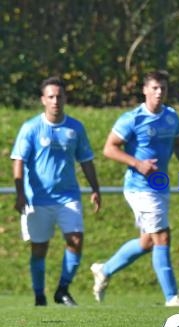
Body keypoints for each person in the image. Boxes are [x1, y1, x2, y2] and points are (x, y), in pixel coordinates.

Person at [90, 70, 179, 307]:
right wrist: (138, 163)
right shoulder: (133, 118)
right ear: (145, 90)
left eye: (163, 89)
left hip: (159, 187)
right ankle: (172, 297)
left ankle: (105, 270)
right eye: (155, 88)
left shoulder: (171, 117)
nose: (159, 93)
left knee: (148, 241)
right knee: (162, 235)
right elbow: (109, 148)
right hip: (139, 187)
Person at [11, 76, 102, 307]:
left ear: (65, 98)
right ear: (43, 100)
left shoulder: (75, 128)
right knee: (39, 248)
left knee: (75, 239)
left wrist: (95, 189)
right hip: (37, 198)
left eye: (59, 96)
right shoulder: (31, 128)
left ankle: (62, 289)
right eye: (50, 96)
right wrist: (20, 192)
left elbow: (86, 160)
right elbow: (19, 160)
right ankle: (39, 295)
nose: (55, 101)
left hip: (68, 196)